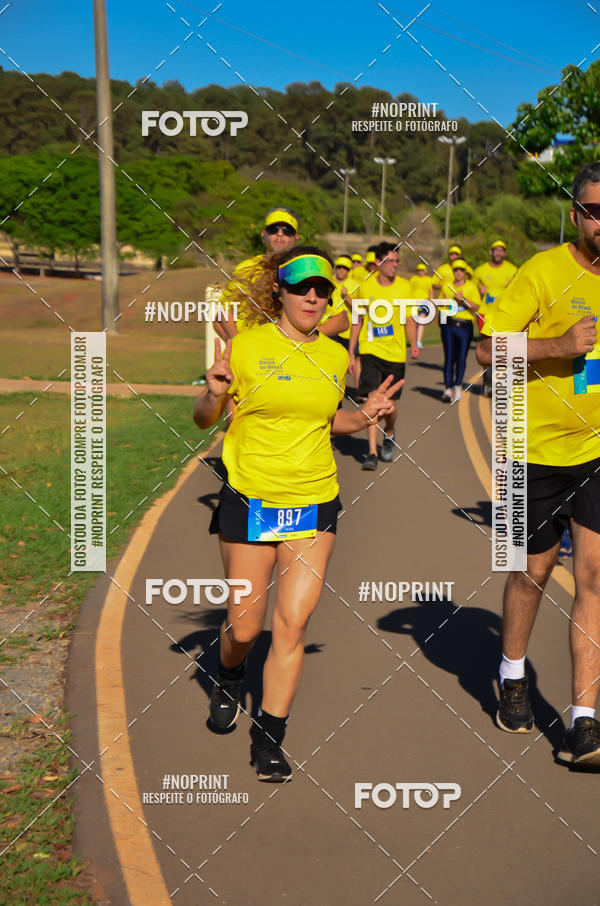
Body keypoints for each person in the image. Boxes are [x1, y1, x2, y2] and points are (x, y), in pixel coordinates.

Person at [193, 246, 401, 782]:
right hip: (251, 498)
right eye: (302, 287)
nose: (313, 296)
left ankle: (269, 739)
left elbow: (328, 421)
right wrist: (213, 394)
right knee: (245, 627)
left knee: (292, 623)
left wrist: (365, 415)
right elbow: (204, 419)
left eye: (322, 289)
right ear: (279, 291)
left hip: (312, 502)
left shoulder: (332, 356)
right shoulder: (246, 348)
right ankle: (229, 672)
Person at [476, 161, 600, 766]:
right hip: (527, 450)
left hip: (596, 451)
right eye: (596, 211)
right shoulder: (541, 271)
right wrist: (557, 346)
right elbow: (485, 350)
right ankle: (512, 673)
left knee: (595, 578)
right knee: (532, 572)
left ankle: (584, 720)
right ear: (576, 215)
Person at [348, 241, 417, 469]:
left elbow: (409, 318)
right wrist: (351, 353)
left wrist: (414, 343)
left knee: (389, 406)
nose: (395, 265)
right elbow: (357, 320)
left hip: (395, 353)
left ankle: (389, 430)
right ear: (378, 263)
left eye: (397, 261)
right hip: (370, 350)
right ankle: (371, 453)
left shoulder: (405, 287)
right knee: (373, 400)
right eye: (390, 261)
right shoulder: (365, 286)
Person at [216, 207, 300, 341]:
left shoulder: (304, 270)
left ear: (296, 238)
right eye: (273, 229)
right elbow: (224, 312)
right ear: (263, 235)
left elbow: (336, 318)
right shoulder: (246, 267)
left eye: (287, 230)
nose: (280, 234)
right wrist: (237, 342)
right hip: (248, 347)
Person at [474, 240, 518, 397]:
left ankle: (504, 383)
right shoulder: (480, 271)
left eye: (501, 250)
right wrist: (479, 291)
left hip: (504, 313)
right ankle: (488, 384)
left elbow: (519, 292)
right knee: (487, 348)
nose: (498, 253)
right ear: (490, 252)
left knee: (505, 348)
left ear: (504, 253)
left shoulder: (512, 270)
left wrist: (512, 287)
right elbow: (471, 291)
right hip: (485, 313)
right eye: (496, 250)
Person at [437, 258, 480, 402]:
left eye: (461, 270)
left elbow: (476, 307)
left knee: (461, 358)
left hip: (465, 326)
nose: (458, 273)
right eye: (456, 270)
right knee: (449, 357)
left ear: (465, 272)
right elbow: (440, 304)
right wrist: (441, 303)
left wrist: (464, 300)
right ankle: (447, 390)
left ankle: (457, 387)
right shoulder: (446, 286)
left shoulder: (471, 287)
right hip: (449, 325)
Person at [408, 262, 435, 350]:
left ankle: (418, 341)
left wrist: (431, 303)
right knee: (415, 323)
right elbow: (409, 290)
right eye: (419, 270)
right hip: (413, 303)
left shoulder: (428, 279)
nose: (420, 272)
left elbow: (430, 292)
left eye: (422, 270)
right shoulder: (413, 279)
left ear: (425, 271)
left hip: (424, 302)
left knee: (421, 320)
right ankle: (414, 340)